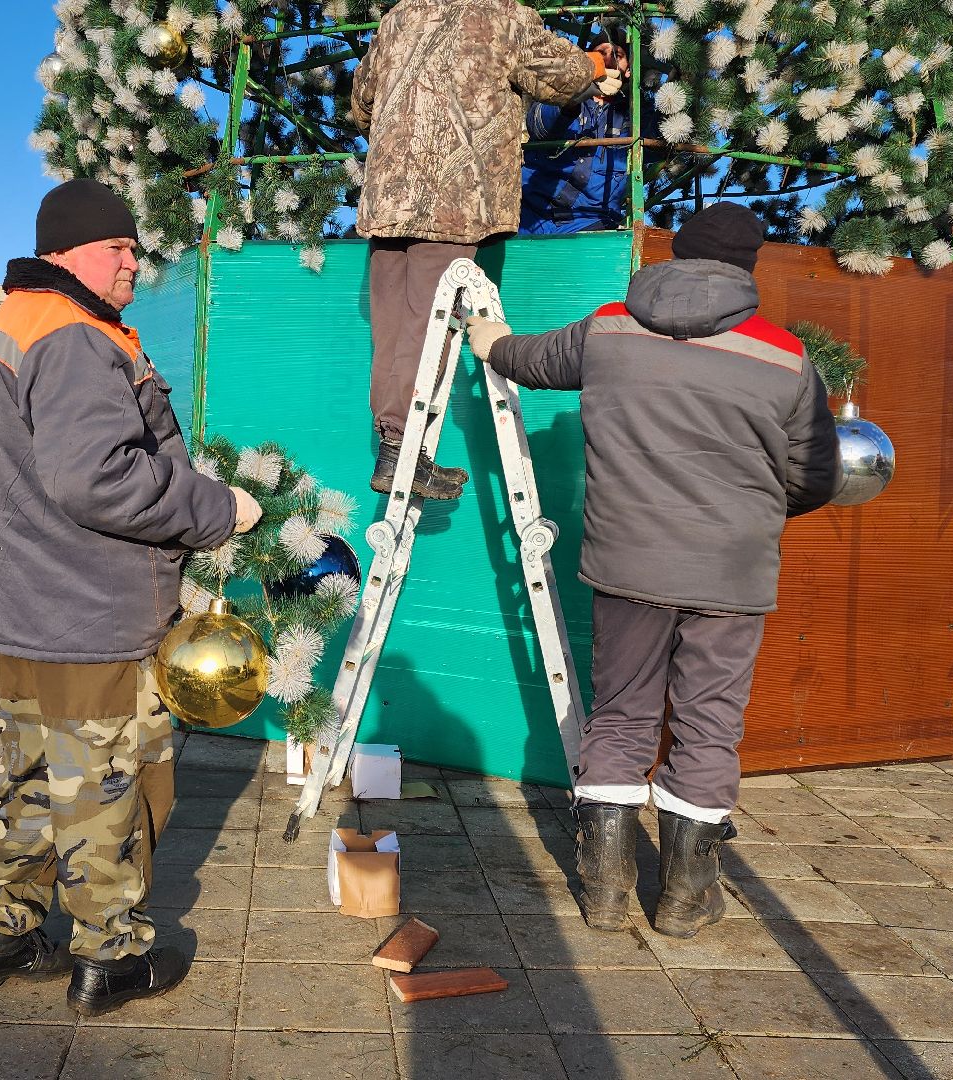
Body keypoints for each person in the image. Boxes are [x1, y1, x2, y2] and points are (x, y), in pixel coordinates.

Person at [463, 203, 840, 940]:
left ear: (677, 254)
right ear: (748, 269)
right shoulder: (786, 359)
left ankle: (603, 891)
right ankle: (685, 897)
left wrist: (491, 341)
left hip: (625, 561)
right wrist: (753, 510)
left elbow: (531, 362)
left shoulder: (610, 327)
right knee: (708, 724)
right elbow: (817, 477)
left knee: (623, 713)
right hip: (732, 573)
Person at [0, 178, 262, 1016]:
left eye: (134, 247)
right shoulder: (74, 335)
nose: (133, 262)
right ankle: (112, 958)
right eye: (115, 249)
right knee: (105, 790)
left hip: (30, 612)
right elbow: (98, 478)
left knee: (27, 779)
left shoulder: (16, 325)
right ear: (64, 253)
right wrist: (217, 508)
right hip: (93, 612)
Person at [349, 0, 624, 499]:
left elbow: (361, 103)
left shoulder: (397, 18)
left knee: (391, 326)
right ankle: (403, 456)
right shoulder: (502, 14)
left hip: (388, 196)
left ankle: (394, 448)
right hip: (453, 194)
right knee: (425, 323)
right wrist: (600, 63)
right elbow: (561, 75)